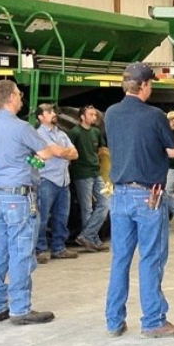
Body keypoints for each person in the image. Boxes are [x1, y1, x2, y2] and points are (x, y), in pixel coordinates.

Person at [103, 62, 174, 339]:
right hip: (148, 196)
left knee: (121, 259)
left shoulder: (111, 114)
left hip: (120, 194)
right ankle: (153, 320)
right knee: (151, 258)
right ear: (144, 86)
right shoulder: (155, 116)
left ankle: (114, 320)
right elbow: (172, 149)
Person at [0, 81, 66, 325]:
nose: (21, 99)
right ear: (10, 98)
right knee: (20, 250)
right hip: (18, 197)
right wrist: (32, 159)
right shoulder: (21, 127)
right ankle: (20, 308)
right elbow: (46, 154)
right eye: (19, 95)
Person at [35, 103, 79, 264]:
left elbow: (75, 154)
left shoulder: (61, 134)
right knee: (42, 217)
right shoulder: (38, 134)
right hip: (47, 180)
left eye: (53, 111)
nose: (54, 113)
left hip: (63, 180)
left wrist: (62, 152)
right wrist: (63, 152)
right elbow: (59, 152)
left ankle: (58, 248)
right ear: (40, 117)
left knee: (62, 216)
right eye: (49, 112)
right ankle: (39, 250)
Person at [69, 105, 111, 252]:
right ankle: (93, 239)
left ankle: (87, 235)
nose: (94, 117)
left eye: (95, 114)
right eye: (91, 114)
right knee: (86, 208)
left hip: (96, 172)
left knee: (105, 203)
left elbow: (101, 149)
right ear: (82, 117)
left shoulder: (96, 132)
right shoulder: (75, 133)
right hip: (82, 174)